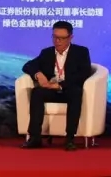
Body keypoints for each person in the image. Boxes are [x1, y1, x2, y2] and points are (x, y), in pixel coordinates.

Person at [21, 21, 92, 151]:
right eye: (55, 37)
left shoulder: (81, 52)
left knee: (76, 93)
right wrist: (38, 74)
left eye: (62, 38)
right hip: (51, 90)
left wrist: (60, 85)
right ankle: (35, 138)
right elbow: (28, 65)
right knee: (37, 92)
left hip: (69, 88)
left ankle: (70, 139)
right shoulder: (47, 53)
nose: (57, 41)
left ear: (70, 37)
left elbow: (83, 74)